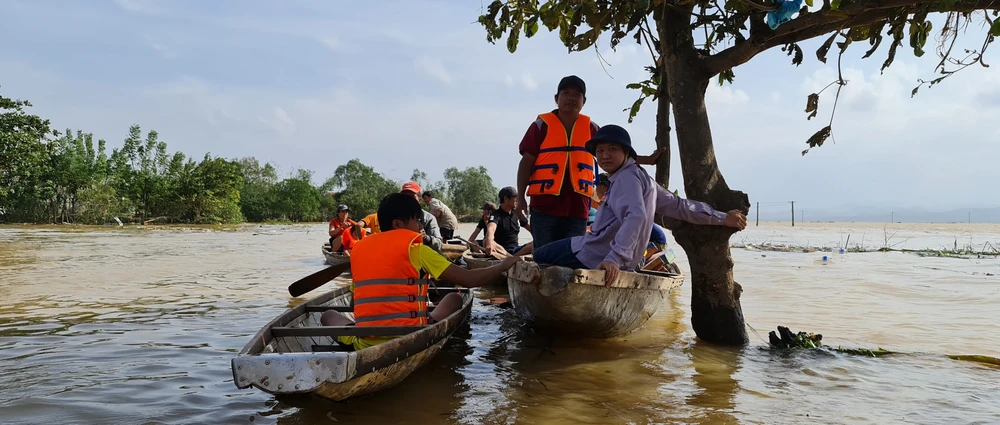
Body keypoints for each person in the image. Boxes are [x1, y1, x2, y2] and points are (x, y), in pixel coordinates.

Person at [532, 124, 747, 286]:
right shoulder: (644, 180)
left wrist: (613, 259)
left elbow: (637, 216)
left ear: (626, 153)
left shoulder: (626, 178)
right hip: (616, 256)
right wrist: (721, 217)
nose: (605, 155)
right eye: (600, 151)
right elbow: (681, 206)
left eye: (612, 149)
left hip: (594, 254)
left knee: (538, 256)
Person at [320, 193, 522, 351]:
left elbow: (355, 305)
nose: (420, 226)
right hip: (410, 335)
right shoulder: (417, 249)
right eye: (416, 221)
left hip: (365, 341)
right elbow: (469, 280)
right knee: (454, 298)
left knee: (328, 315)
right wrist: (503, 266)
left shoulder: (359, 252)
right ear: (398, 224)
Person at [517, 75, 664, 249]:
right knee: (543, 255)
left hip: (578, 208)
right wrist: (520, 197)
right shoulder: (541, 126)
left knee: (572, 258)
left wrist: (647, 160)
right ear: (557, 98)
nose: (571, 97)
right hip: (544, 206)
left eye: (577, 94)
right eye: (566, 93)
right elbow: (526, 162)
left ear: (583, 101)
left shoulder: (591, 128)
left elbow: (615, 153)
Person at [356, 182, 444, 252]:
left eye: (412, 197)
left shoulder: (428, 218)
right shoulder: (392, 215)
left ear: (419, 200)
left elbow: (439, 245)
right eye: (404, 197)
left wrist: (426, 238)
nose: (408, 200)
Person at [479, 187, 533, 257]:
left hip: (516, 251)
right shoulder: (496, 215)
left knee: (537, 243)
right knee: (486, 241)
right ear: (506, 199)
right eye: (515, 197)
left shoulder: (516, 214)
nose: (517, 200)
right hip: (500, 251)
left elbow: (533, 231)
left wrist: (523, 218)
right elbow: (490, 230)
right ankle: (509, 258)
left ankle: (511, 258)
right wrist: (489, 243)